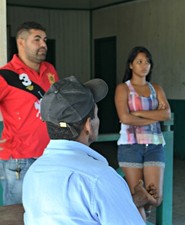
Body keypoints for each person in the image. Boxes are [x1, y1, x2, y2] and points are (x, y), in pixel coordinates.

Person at [23, 75, 156, 224]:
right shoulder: (99, 178)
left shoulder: (33, 173)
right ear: (88, 126)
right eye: (96, 115)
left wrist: (130, 201)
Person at [0, 21, 59, 205]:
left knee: (48, 211)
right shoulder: (6, 76)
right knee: (18, 215)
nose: (44, 45)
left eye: (45, 39)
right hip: (19, 160)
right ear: (21, 42)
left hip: (50, 155)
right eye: (37, 39)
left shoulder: (50, 70)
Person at [114, 46, 171, 221]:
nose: (144, 65)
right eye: (139, 61)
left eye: (147, 62)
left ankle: (144, 214)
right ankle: (141, 219)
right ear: (131, 65)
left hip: (154, 145)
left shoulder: (156, 88)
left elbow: (166, 114)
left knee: (156, 196)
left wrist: (137, 114)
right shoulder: (123, 89)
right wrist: (154, 117)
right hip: (130, 146)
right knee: (137, 196)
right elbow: (125, 118)